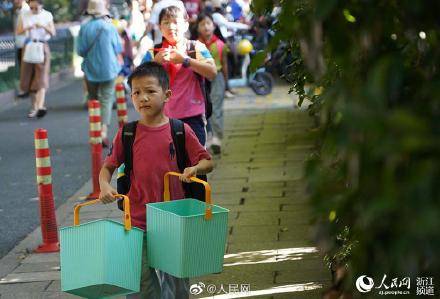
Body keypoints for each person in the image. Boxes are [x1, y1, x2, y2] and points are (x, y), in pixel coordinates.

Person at [99, 61, 213, 298]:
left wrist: (194, 168)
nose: (143, 98)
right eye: (137, 93)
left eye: (151, 91)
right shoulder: (127, 133)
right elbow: (107, 167)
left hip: (174, 220)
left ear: (167, 95)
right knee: (140, 283)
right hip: (137, 220)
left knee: (178, 285)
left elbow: (207, 161)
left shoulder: (179, 130)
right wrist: (104, 185)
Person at [153, 5, 217, 146]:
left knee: (195, 164)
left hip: (193, 117)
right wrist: (154, 63)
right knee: (171, 165)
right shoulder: (154, 52)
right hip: (162, 120)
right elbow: (136, 82)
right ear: (160, 27)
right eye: (166, 22)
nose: (171, 26)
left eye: (176, 22)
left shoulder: (196, 47)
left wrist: (185, 60)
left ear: (186, 25)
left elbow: (212, 72)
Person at [77, 0, 122, 147]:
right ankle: (103, 132)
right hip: (109, 70)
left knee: (93, 100)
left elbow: (80, 51)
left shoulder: (84, 27)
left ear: (89, 11)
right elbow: (118, 49)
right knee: (107, 100)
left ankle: (94, 132)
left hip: (90, 70)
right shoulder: (110, 27)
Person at [16, 0, 55, 118]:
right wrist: (29, 27)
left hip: (42, 46)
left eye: (36, 8)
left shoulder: (47, 15)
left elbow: (53, 32)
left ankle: (40, 107)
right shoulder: (24, 14)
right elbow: (18, 31)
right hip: (28, 47)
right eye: (31, 8)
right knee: (30, 77)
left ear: (41, 6)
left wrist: (42, 25)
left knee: (41, 78)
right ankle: (34, 107)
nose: (33, 11)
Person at [196, 12, 227, 154]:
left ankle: (217, 138)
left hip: (217, 78)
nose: (206, 27)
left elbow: (225, 64)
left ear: (214, 26)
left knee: (216, 108)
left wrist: (226, 83)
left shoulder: (220, 44)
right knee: (204, 110)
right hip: (200, 80)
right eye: (202, 24)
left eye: (208, 23)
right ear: (198, 28)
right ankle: (208, 137)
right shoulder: (194, 45)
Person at [13, 0, 30, 98]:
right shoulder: (18, 10)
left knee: (25, 68)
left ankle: (26, 89)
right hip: (20, 43)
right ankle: (25, 88)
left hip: (25, 43)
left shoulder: (26, 10)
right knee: (23, 67)